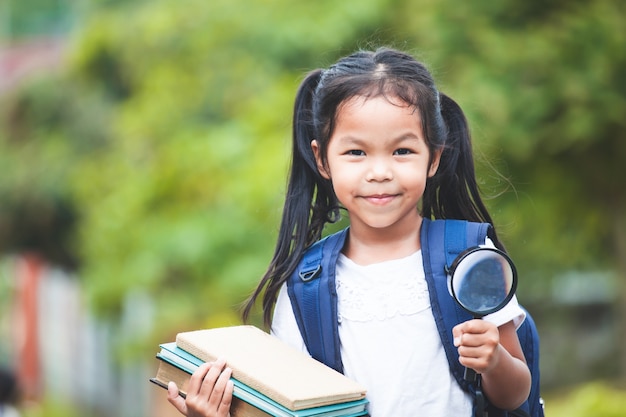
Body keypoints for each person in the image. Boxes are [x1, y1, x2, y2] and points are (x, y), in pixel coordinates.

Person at [167, 47, 532, 417]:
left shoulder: (469, 255)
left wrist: (494, 360)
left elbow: (515, 392)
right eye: (356, 153)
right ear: (322, 159)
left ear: (433, 157)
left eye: (402, 151)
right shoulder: (306, 287)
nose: (379, 172)